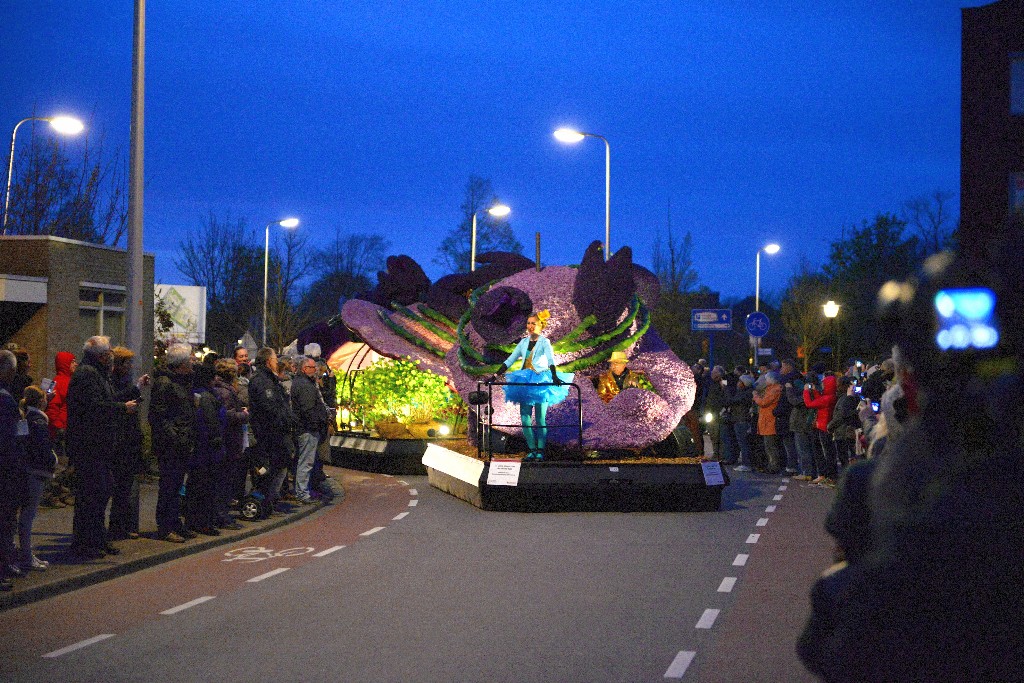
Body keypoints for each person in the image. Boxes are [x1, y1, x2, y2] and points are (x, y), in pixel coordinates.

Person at [66, 336, 139, 559]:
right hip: (90, 445)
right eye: (108, 352)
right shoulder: (88, 374)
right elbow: (94, 407)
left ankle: (97, 539)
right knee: (91, 495)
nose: (111, 356)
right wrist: (121, 408)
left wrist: (128, 395)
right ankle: (85, 543)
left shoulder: (96, 373)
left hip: (98, 445)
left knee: (100, 492)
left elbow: (105, 399)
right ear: (100, 355)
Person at [491, 310, 574, 461]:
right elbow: (510, 360)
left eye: (533, 323)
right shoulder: (523, 342)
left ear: (540, 325)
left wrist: (554, 375)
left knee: (540, 417)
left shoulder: (544, 342)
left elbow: (550, 360)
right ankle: (532, 449)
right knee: (525, 417)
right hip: (525, 380)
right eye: (528, 323)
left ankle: (541, 451)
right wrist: (495, 375)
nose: (530, 326)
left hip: (540, 380)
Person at [149, 343, 197, 543]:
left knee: (177, 486)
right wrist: (175, 438)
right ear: (182, 363)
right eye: (191, 359)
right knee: (169, 486)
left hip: (183, 442)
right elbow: (158, 416)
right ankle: (165, 527)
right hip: (171, 446)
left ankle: (175, 522)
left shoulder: (183, 382)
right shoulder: (165, 383)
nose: (194, 362)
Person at [249, 347, 296, 512]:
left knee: (280, 464)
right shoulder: (262, 381)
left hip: (276, 432)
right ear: (269, 361)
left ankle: (271, 500)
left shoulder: (271, 380)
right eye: (275, 359)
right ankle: (266, 501)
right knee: (270, 469)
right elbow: (269, 408)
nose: (277, 362)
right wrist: (285, 420)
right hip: (269, 433)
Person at [107, 347, 145, 541]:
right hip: (120, 441)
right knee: (120, 486)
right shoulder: (112, 381)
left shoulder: (122, 381)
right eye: (127, 363)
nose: (130, 366)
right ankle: (116, 527)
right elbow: (116, 401)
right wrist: (135, 389)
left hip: (129, 440)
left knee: (126, 487)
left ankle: (122, 525)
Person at [16, 386, 56, 571]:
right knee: (28, 516)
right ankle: (26, 556)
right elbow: (42, 448)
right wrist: (52, 461)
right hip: (36, 472)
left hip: (27, 470)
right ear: (41, 402)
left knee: (25, 515)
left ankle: (25, 553)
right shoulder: (39, 421)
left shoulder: (27, 418)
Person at [183, 363, 225, 536]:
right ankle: (202, 522)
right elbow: (212, 423)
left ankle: (195, 520)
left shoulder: (198, 393)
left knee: (197, 485)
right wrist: (217, 440)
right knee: (205, 487)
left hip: (201, 449)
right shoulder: (207, 397)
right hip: (207, 450)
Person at [0, 350, 27, 590]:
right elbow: (12, 438)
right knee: (6, 518)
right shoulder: (6, 400)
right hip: (6, 469)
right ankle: (4, 566)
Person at [210, 358, 247, 530]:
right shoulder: (225, 392)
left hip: (228, 441)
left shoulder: (221, 389)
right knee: (224, 480)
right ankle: (221, 516)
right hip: (229, 441)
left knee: (224, 480)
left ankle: (220, 514)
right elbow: (226, 415)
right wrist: (244, 415)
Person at [290, 356, 329, 504]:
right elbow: (308, 410)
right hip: (307, 429)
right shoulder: (305, 385)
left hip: (307, 428)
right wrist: (317, 423)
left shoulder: (302, 383)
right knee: (305, 462)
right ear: (305, 369)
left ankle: (302, 491)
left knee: (305, 461)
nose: (316, 370)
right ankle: (302, 493)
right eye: (313, 368)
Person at [803, 369, 838, 485]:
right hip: (822, 425)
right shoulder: (830, 396)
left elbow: (810, 404)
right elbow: (820, 401)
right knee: (824, 451)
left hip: (823, 426)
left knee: (824, 452)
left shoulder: (828, 398)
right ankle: (825, 474)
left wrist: (806, 392)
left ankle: (827, 475)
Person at [723, 374, 755, 471]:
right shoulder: (742, 392)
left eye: (739, 382)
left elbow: (731, 401)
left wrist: (726, 389)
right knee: (741, 442)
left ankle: (746, 464)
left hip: (741, 420)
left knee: (743, 442)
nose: (737, 383)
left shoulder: (745, 393)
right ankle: (745, 462)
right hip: (739, 419)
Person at [752, 371, 783, 474]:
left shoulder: (774, 390)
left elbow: (763, 402)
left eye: (766, 379)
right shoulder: (771, 389)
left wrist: (756, 396)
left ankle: (774, 466)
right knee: (769, 445)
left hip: (769, 421)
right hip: (767, 421)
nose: (765, 381)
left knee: (770, 446)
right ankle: (771, 465)